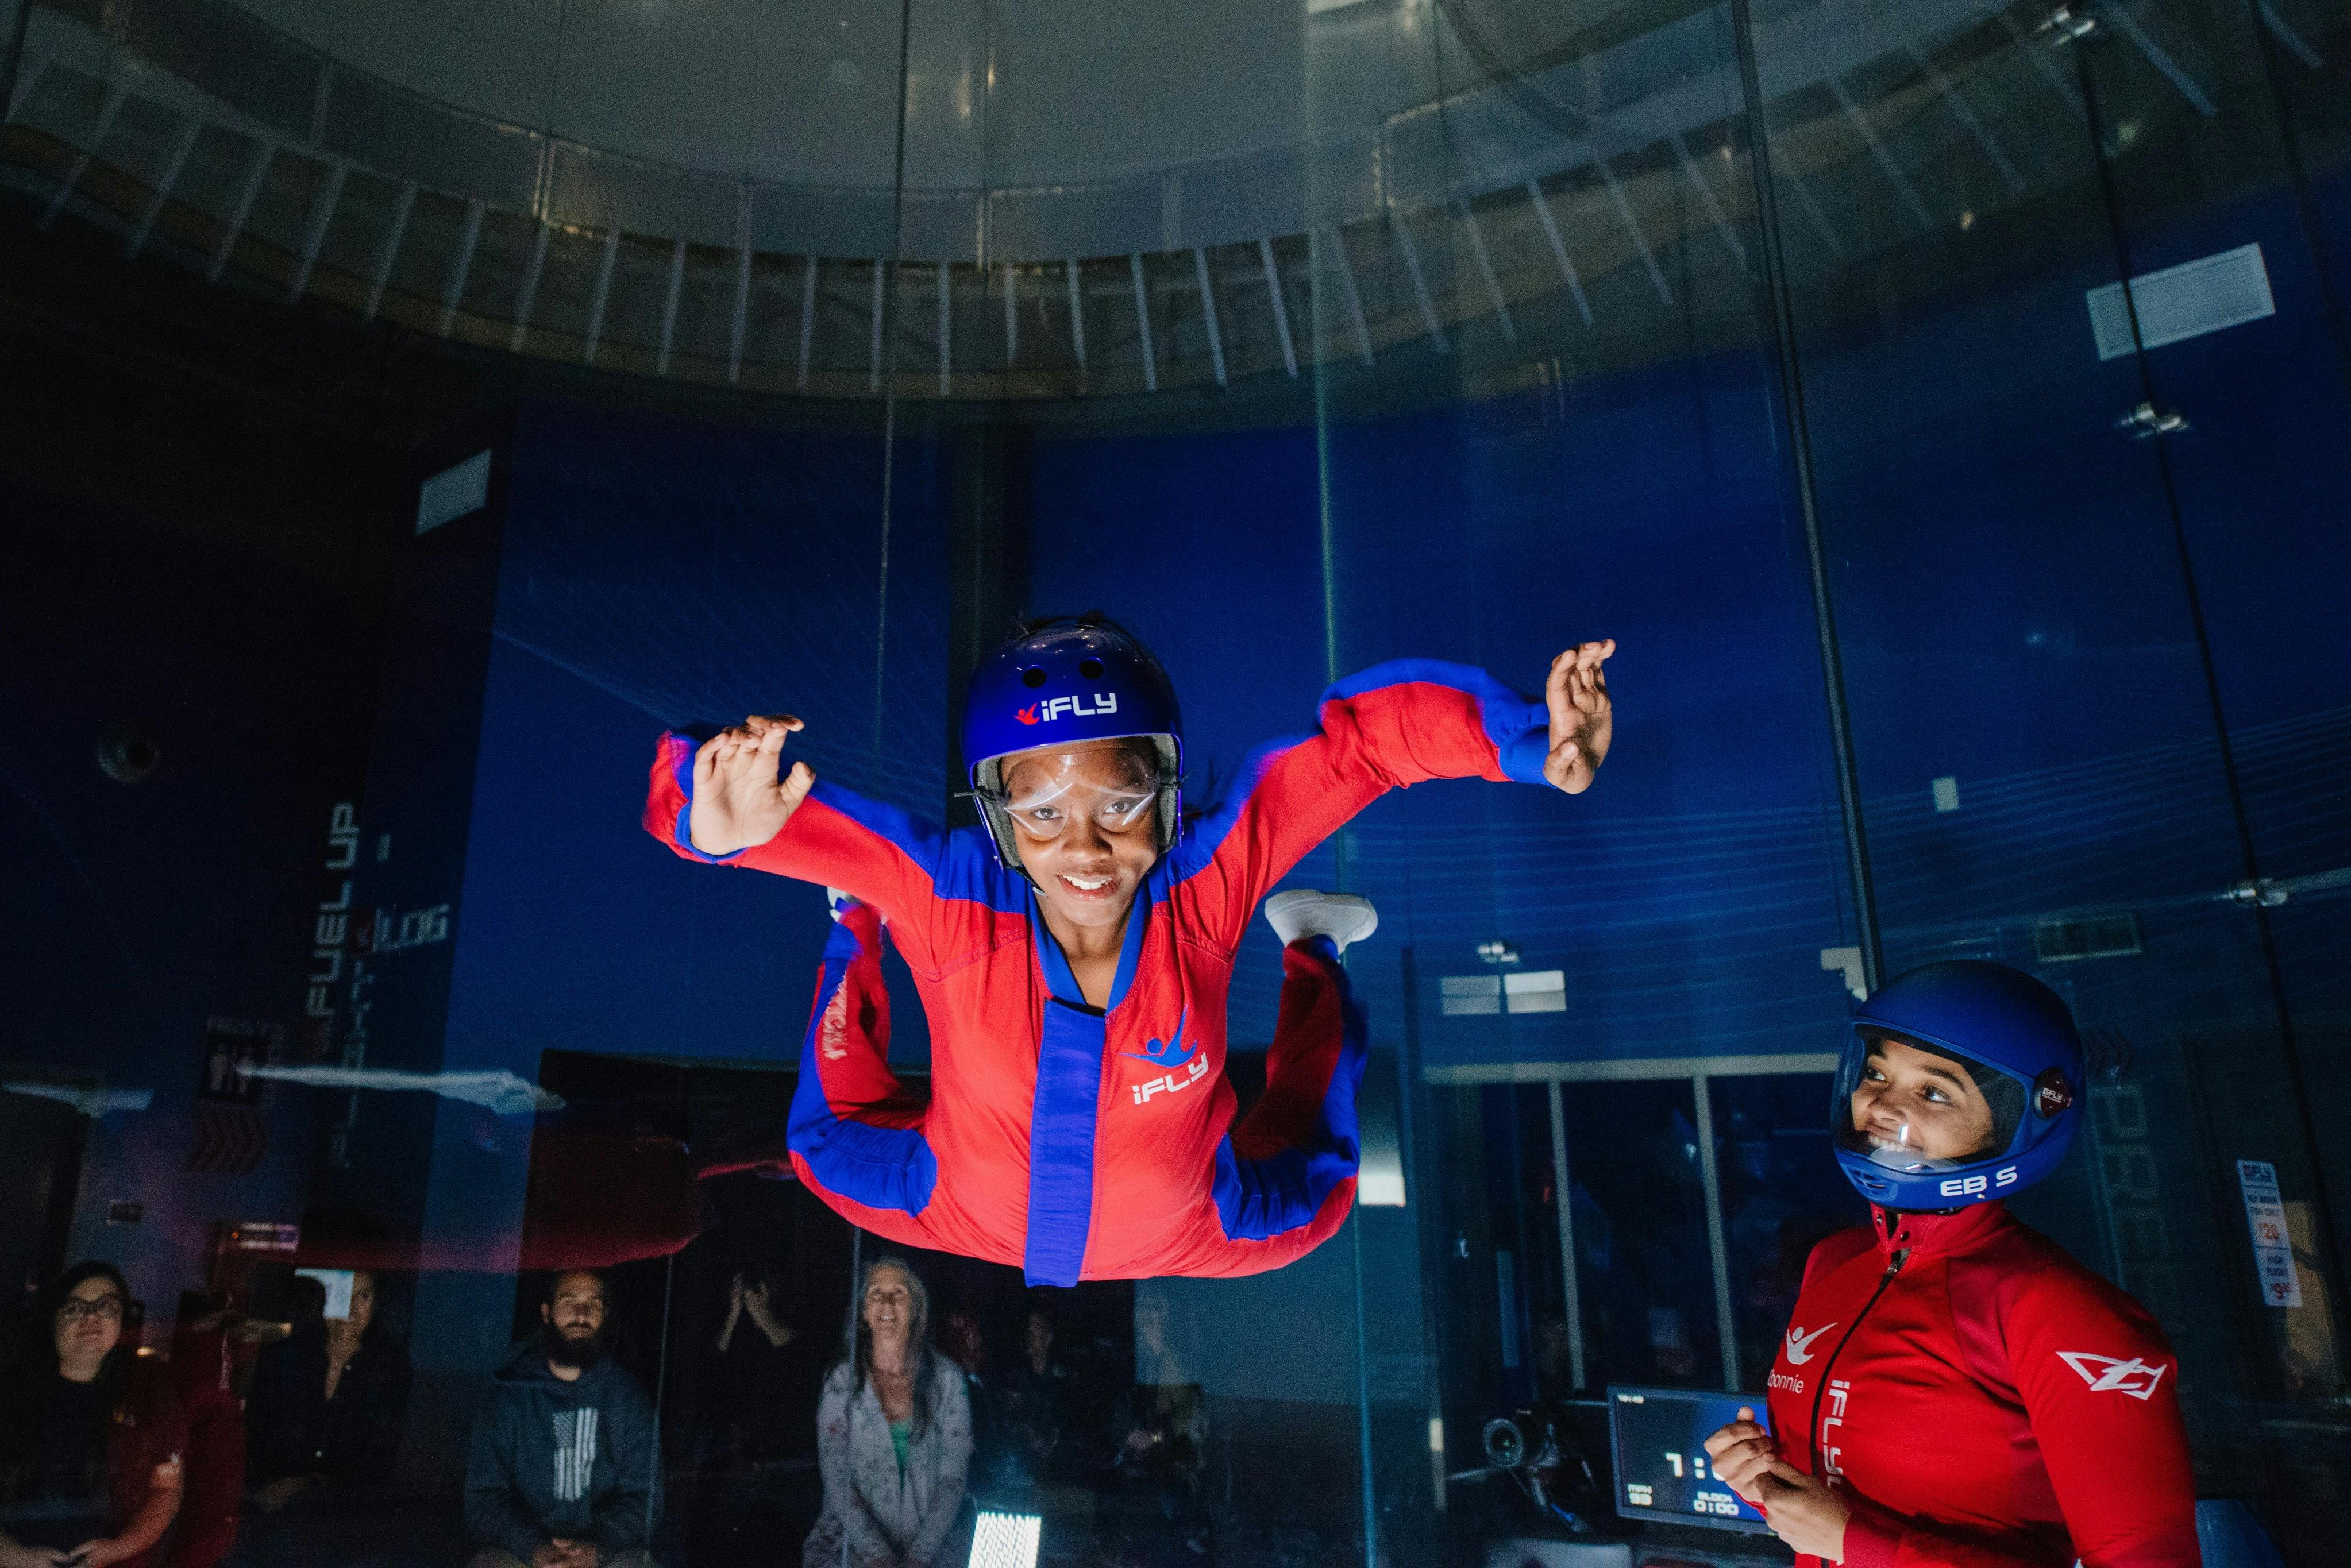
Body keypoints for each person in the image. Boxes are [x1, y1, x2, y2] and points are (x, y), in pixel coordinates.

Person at [646, 614, 1616, 1283]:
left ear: (1166, 789)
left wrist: (1527, 739)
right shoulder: (953, 893)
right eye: (1038, 810)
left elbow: (1359, 750)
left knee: (1322, 1188)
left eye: (1120, 803)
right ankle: (854, 921)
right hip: (962, 1204)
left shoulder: (1205, 878)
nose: (1084, 847)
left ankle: (1312, 951)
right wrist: (712, 813)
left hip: (1191, 1220)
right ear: (996, 813)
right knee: (818, 1146)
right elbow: (713, 805)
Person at [1702, 962, 2199, 1567]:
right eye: (1877, 1073)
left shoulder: (2058, 1310)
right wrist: (1763, 1482)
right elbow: (1830, 1513)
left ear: (2025, 1114)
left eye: (1933, 1091)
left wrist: (1854, 1541)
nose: (1882, 1106)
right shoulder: (1836, 1263)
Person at [464, 1271, 661, 1568]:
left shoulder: (629, 1398)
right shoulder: (507, 1398)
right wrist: (534, 1549)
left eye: (592, 1304)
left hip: (602, 1554)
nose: (581, 1315)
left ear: (604, 1316)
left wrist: (598, 1549)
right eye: (570, 1302)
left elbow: (645, 1497)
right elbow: (484, 1499)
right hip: (525, 1553)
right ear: (547, 1313)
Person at [0, 1262, 187, 1568]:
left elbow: (165, 1489)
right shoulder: (11, 1388)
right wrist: (12, 1557)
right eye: (75, 1308)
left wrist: (116, 1550)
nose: (91, 1317)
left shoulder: (150, 1394)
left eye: (106, 1307)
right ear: (53, 1319)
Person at [805, 1258, 972, 1568]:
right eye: (875, 1293)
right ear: (863, 1313)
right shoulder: (841, 1384)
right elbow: (837, 1476)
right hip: (848, 1549)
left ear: (915, 1308)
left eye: (899, 1293)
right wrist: (877, 1557)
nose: (887, 1303)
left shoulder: (947, 1379)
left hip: (934, 1553)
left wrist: (919, 1558)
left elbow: (953, 1480)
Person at [245, 1270, 411, 1511]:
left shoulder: (390, 1370)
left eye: (362, 1297)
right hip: (269, 1511)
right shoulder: (282, 1359)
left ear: (376, 1303)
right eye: (341, 1295)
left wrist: (309, 1485)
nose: (350, 1310)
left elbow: (383, 1459)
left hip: (347, 1520)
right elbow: (256, 1436)